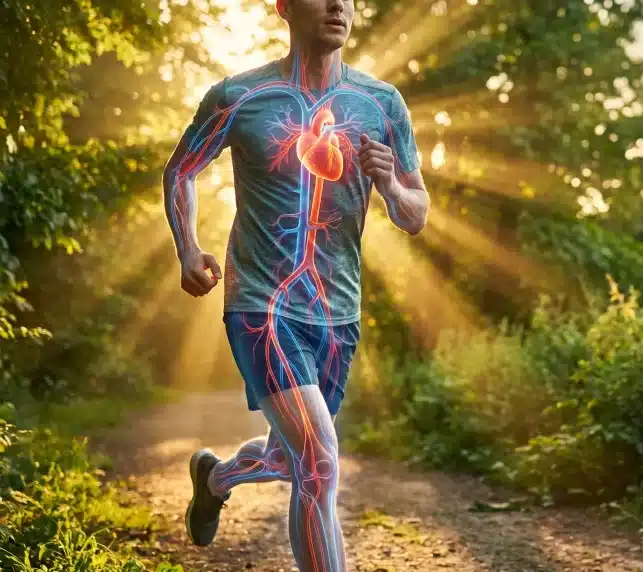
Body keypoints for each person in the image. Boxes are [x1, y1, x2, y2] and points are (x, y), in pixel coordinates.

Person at [161, 0, 429, 569]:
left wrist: (389, 184)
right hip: (262, 303)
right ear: (283, 6)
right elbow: (182, 169)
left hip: (338, 313)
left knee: (294, 459)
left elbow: (415, 212)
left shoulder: (382, 104)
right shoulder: (238, 96)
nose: (338, 6)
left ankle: (215, 479)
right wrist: (187, 247)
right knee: (320, 461)